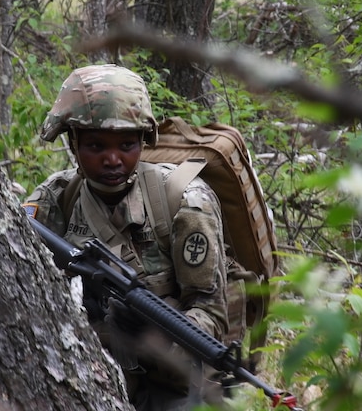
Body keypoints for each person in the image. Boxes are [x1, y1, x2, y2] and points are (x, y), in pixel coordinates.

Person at [24, 64, 229, 410]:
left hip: (173, 385)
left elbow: (213, 316)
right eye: (95, 145)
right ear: (73, 143)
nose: (113, 159)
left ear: (143, 141)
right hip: (85, 376)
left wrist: (154, 332)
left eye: (127, 144)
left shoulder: (184, 202)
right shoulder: (56, 202)